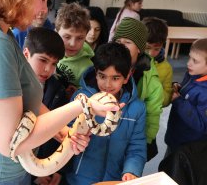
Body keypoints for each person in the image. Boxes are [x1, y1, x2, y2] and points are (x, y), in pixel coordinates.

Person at [0, 0, 121, 184]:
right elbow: (11, 140)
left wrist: (63, 133)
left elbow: (15, 99)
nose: (44, 9)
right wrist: (84, 105)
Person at [62, 42, 147, 184]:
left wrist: (131, 171)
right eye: (102, 76)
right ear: (95, 73)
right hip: (79, 179)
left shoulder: (137, 109)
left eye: (115, 78)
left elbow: (136, 147)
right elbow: (66, 135)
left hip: (114, 179)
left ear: (127, 76)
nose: (107, 85)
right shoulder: (81, 99)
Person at [112, 17, 164, 161]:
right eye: (118, 42)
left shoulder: (150, 80)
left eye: (128, 42)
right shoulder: (107, 64)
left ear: (139, 48)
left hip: (131, 133)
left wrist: (145, 142)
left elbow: (153, 113)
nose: (122, 46)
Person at [23, 27, 67, 185]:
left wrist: (54, 168)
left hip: (45, 167)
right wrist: (35, 174)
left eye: (54, 63)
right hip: (16, 168)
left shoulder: (58, 90)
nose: (48, 69)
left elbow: (58, 130)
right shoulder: (13, 88)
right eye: (43, 60)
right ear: (26, 54)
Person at [164, 38, 207, 154]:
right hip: (177, 138)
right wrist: (179, 87)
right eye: (189, 57)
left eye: (195, 61)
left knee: (173, 171)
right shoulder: (193, 74)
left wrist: (179, 101)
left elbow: (202, 124)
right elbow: (188, 90)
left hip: (189, 149)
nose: (188, 63)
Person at [55, 2, 94, 100]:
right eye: (67, 37)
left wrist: (77, 92)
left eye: (80, 38)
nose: (72, 43)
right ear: (56, 32)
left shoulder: (89, 68)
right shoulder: (46, 53)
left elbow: (89, 95)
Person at [142, 17, 173, 107]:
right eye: (147, 48)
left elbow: (167, 98)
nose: (151, 53)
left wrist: (155, 91)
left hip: (151, 112)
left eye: (157, 49)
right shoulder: (132, 62)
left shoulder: (166, 68)